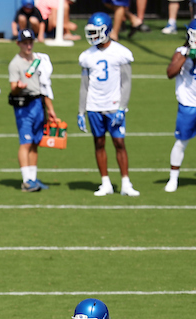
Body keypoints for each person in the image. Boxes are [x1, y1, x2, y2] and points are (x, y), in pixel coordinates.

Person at [78, 13, 138, 197]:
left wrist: (122, 107)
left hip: (113, 105)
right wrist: (81, 111)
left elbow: (126, 83)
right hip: (94, 105)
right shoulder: (87, 56)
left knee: (119, 142)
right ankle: (105, 183)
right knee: (99, 143)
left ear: (107, 30)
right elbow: (84, 85)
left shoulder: (121, 52)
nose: (93, 36)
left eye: (96, 32)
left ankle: (126, 182)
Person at [9, 29, 57, 192]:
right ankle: (26, 180)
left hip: (38, 104)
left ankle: (33, 178)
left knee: (36, 142)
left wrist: (50, 109)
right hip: (24, 106)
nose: (28, 46)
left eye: (30, 42)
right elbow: (13, 88)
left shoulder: (38, 60)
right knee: (26, 142)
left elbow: (44, 86)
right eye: (25, 43)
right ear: (19, 44)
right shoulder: (15, 64)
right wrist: (18, 87)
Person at [165, 23, 196, 192]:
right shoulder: (181, 52)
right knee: (181, 142)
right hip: (188, 104)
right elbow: (170, 73)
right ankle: (173, 178)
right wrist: (187, 55)